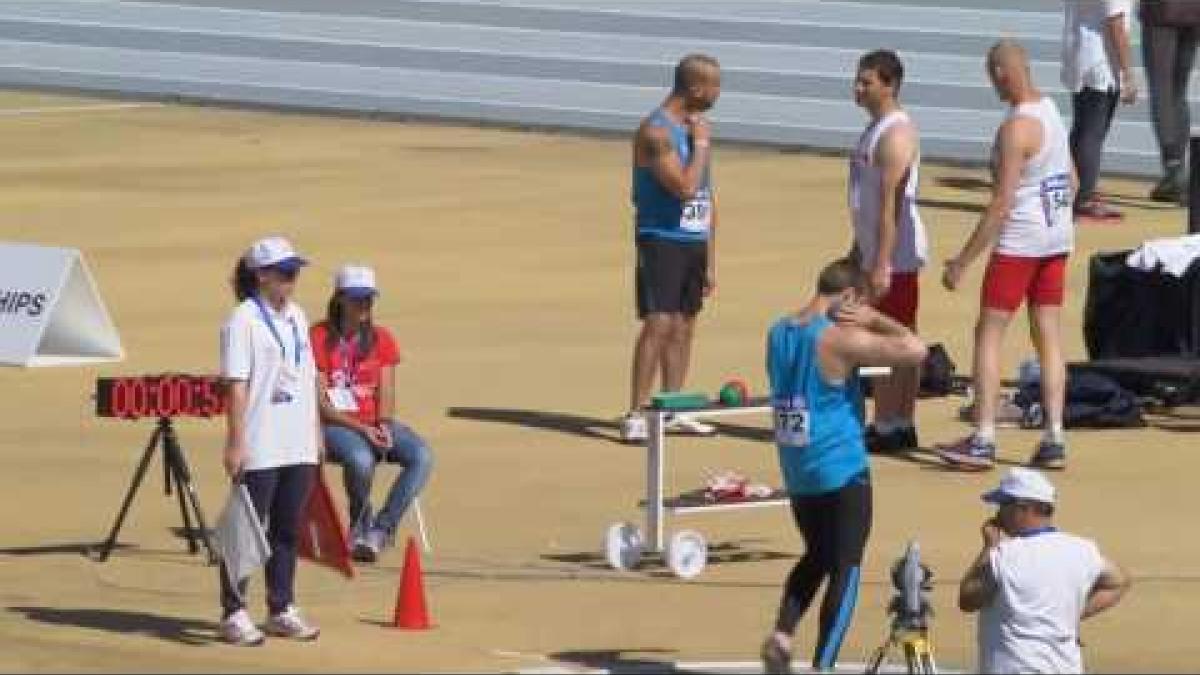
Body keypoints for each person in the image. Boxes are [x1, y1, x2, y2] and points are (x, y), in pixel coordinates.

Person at [760, 258, 928, 674]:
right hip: (841, 467)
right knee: (846, 567)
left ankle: (782, 633)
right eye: (859, 306)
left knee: (816, 554)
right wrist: (877, 320)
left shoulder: (779, 331)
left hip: (798, 468)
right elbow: (914, 349)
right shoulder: (837, 339)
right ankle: (824, 665)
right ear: (850, 298)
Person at [938, 40, 1076, 472]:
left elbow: (1001, 202)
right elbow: (1072, 179)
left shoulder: (1015, 128)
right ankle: (1054, 436)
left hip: (1021, 242)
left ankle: (983, 438)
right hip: (1056, 238)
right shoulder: (1052, 111)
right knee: (1048, 334)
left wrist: (962, 261)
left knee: (989, 334)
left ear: (1000, 73)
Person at [218, 235, 322, 645]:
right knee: (246, 529)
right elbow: (237, 386)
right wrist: (235, 441)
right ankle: (233, 611)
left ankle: (281, 607)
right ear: (261, 275)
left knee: (286, 530)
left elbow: (310, 377)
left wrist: (314, 432)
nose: (292, 281)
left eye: (295, 273)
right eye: (284, 273)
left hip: (296, 441)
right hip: (260, 441)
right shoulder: (242, 321)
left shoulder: (297, 316)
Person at [621, 53, 722, 443]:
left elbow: (708, 197)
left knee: (684, 326)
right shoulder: (656, 132)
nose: (718, 94)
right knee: (659, 323)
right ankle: (636, 412)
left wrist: (711, 258)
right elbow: (683, 186)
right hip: (661, 238)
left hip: (693, 241)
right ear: (696, 88)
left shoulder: (696, 129)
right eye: (715, 86)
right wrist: (700, 146)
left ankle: (674, 408)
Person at [311, 264, 434, 563]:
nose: (364, 305)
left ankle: (381, 529)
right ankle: (359, 524)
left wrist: (384, 424)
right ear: (340, 299)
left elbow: (387, 392)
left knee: (421, 455)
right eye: (357, 298)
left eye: (369, 298)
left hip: (372, 422)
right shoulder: (317, 337)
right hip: (334, 425)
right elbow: (321, 403)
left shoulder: (382, 339)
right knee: (360, 460)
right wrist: (361, 429)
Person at [959, 467, 1131, 674]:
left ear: (1022, 508)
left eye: (1004, 505)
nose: (997, 513)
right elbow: (1120, 581)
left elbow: (968, 599)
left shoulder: (1006, 554)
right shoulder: (1081, 549)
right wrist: (1069, 616)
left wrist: (989, 546)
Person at [848, 49, 929, 453]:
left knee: (892, 340)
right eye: (857, 80)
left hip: (894, 258)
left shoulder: (896, 134)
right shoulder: (874, 129)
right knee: (892, 337)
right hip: (876, 253)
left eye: (867, 82)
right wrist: (856, 251)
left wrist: (880, 261)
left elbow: (889, 205)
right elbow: (864, 200)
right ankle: (895, 421)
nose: (858, 88)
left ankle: (891, 422)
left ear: (890, 85)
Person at [1061, 0, 1137, 220]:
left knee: (1082, 130)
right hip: (1100, 62)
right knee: (1092, 133)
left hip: (1081, 53)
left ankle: (1072, 191)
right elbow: (1116, 24)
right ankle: (1083, 197)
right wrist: (1127, 73)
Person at [1139, 0, 1200, 203]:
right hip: (1194, 12)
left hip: (1161, 12)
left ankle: (1174, 169)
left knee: (1162, 89)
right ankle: (1177, 171)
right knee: (1178, 92)